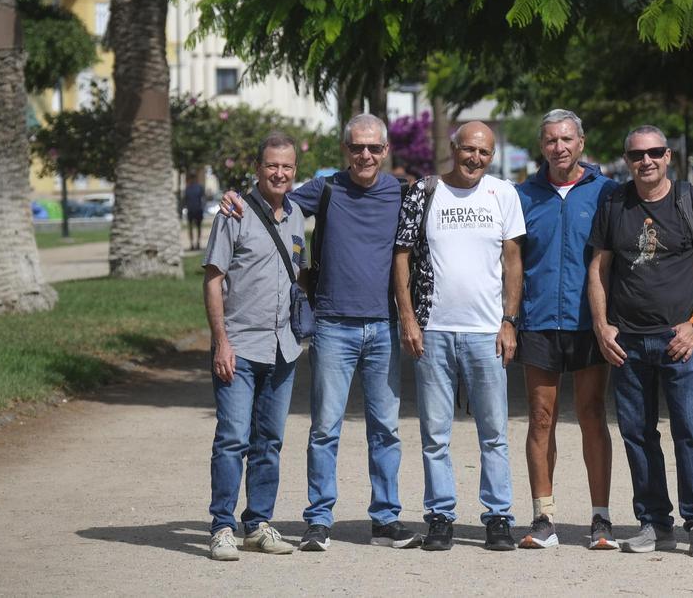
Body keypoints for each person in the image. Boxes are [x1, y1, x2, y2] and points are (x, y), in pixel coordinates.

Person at [221, 114, 421, 552]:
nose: (364, 155)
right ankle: (319, 519)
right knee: (325, 428)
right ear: (344, 150)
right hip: (332, 325)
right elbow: (271, 199)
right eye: (356, 147)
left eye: (372, 148)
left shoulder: (403, 192)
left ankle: (385, 519)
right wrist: (234, 195)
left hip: (384, 325)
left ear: (385, 151)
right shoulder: (326, 189)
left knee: (385, 428)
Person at [587, 125, 693, 559]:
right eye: (636, 155)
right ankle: (653, 523)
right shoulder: (614, 202)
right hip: (627, 341)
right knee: (637, 434)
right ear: (627, 161)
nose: (645, 161)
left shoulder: (691, 199)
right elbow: (598, 269)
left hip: (678, 339)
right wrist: (601, 326)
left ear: (668, 156)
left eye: (654, 153)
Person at [393, 121, 526, 552]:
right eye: (469, 150)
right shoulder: (424, 192)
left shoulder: (503, 193)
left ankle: (498, 517)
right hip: (433, 330)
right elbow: (401, 258)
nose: (475, 159)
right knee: (435, 433)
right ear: (453, 148)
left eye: (484, 153)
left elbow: (513, 262)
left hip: (485, 332)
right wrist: (409, 320)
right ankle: (440, 517)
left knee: (494, 432)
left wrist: (509, 321)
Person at [514, 109, 620, 550]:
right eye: (551, 141)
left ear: (581, 142)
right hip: (538, 320)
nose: (559, 148)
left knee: (593, 414)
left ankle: (601, 518)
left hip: (590, 323)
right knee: (540, 418)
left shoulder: (608, 193)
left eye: (567, 139)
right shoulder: (522, 195)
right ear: (542, 146)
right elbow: (511, 260)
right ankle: (544, 518)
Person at [202, 132, 305, 561]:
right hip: (240, 346)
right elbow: (212, 278)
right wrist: (220, 342)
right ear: (258, 168)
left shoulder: (298, 214)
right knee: (231, 439)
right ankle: (221, 526)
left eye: (287, 166)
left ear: (294, 171)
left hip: (284, 348)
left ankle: (257, 522)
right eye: (271, 166)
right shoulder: (235, 212)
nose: (279, 173)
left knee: (270, 441)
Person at [185, 174, 206, 250]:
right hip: (196, 210)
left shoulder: (188, 188)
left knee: (193, 228)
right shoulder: (198, 187)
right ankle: (196, 243)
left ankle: (195, 244)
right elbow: (203, 199)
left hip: (193, 210)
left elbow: (185, 200)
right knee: (197, 228)